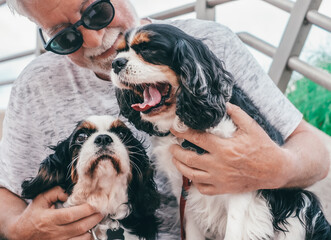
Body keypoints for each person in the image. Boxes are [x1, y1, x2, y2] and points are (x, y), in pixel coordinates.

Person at [0, 0, 329, 239]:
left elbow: (315, 151)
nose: (94, 40)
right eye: (65, 37)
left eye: (97, 11)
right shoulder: (34, 86)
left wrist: (273, 167)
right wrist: (20, 227)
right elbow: (7, 194)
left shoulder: (208, 43)